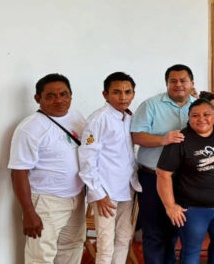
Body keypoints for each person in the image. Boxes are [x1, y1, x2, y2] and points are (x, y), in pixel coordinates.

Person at [9, 73, 86, 264]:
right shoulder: (30, 128)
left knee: (72, 247)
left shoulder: (76, 117)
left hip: (76, 198)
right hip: (46, 202)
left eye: (64, 94)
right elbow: (18, 172)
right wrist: (29, 212)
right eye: (51, 96)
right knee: (41, 257)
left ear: (71, 95)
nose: (59, 100)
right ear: (38, 99)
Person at [156, 99, 214, 264]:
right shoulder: (180, 139)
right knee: (192, 250)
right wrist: (170, 206)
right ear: (189, 117)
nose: (201, 119)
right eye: (195, 115)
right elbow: (163, 174)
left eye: (206, 114)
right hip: (192, 209)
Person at [131, 64, 196, 264]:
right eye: (173, 81)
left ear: (192, 83)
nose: (178, 85)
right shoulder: (151, 105)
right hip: (152, 177)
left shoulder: (199, 107)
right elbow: (136, 136)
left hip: (184, 179)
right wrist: (162, 139)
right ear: (167, 83)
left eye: (183, 80)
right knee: (154, 232)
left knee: (177, 231)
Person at [79, 72, 142, 264]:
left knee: (124, 238)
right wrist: (98, 193)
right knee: (105, 245)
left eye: (127, 92)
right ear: (105, 94)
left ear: (133, 94)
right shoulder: (99, 119)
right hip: (106, 192)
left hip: (127, 188)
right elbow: (87, 158)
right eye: (116, 92)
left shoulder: (129, 117)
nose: (123, 97)